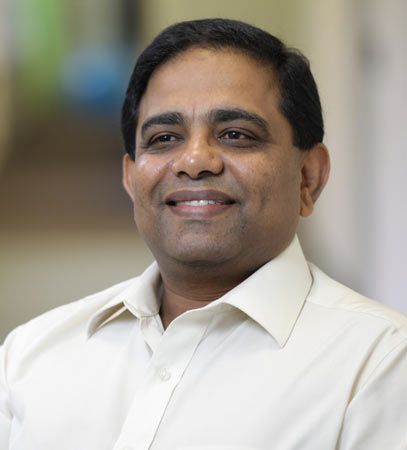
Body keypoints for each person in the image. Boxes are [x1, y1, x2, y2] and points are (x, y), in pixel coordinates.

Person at [0, 18, 406, 450]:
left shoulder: (379, 364)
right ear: (131, 179)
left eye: (235, 135)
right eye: (164, 138)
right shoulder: (30, 354)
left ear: (308, 177)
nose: (194, 161)